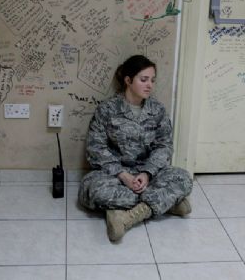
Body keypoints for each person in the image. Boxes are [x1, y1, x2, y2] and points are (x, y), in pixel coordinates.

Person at [78, 54, 193, 242]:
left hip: (148, 174)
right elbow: (95, 147)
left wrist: (147, 174)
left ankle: (126, 216)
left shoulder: (157, 110)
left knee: (183, 178)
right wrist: (124, 176)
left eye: (152, 80)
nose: (149, 85)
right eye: (144, 79)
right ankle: (168, 202)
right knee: (91, 189)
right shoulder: (107, 109)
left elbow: (164, 146)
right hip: (114, 175)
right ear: (128, 80)